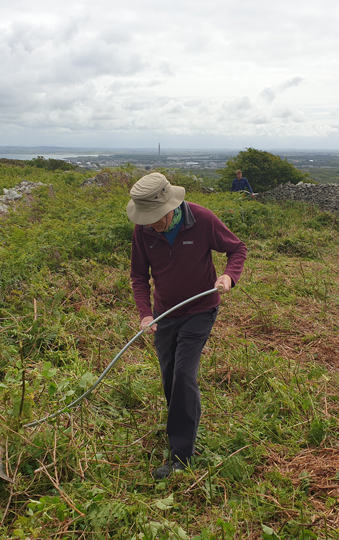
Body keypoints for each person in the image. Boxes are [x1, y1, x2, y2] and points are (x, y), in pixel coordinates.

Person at [126, 172, 247, 479]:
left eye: (156, 218)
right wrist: (145, 313)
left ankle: (182, 455)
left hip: (200, 311)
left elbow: (237, 249)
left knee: (183, 373)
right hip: (164, 313)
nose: (152, 224)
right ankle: (183, 416)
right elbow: (139, 276)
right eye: (146, 219)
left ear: (171, 205)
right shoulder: (143, 231)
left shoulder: (202, 219)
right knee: (170, 377)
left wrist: (229, 276)